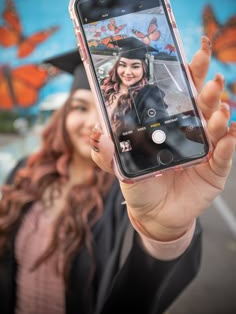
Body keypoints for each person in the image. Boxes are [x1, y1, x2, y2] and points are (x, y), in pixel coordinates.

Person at [0, 36, 235, 314]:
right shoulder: (27, 171)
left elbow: (142, 287)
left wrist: (163, 238)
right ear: (63, 116)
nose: (92, 122)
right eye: (80, 107)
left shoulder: (131, 191)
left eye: (105, 110)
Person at [101, 37, 168, 134]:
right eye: (123, 65)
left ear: (144, 69)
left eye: (135, 66)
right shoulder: (105, 86)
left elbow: (158, 119)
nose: (128, 72)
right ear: (116, 67)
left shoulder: (150, 94)